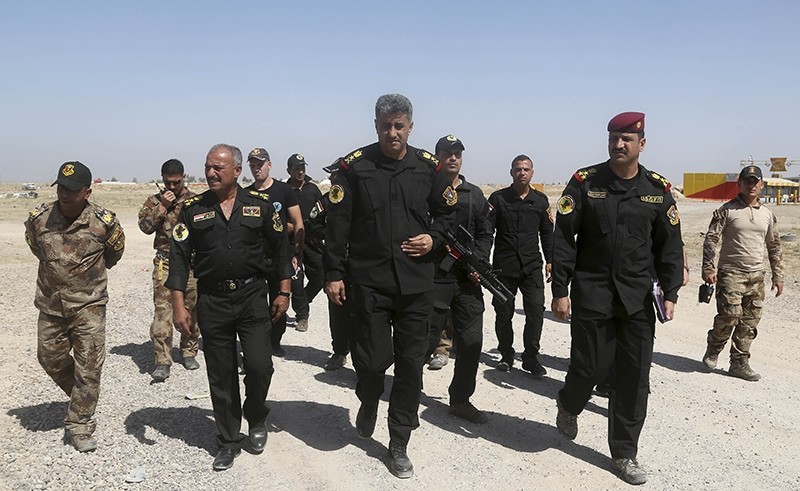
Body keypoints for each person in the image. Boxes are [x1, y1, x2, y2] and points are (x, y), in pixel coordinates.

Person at [323, 94, 457, 479]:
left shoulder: (428, 168)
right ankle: (368, 397)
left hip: (416, 284)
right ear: (376, 126)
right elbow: (338, 225)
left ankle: (399, 441)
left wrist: (434, 238)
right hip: (370, 283)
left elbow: (448, 215)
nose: (392, 132)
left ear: (410, 127)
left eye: (399, 125)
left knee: (411, 365)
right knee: (370, 359)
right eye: (386, 126)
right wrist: (334, 273)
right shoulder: (354, 167)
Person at [551, 112, 684, 485]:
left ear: (642, 143)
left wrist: (669, 292)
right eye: (613, 137)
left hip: (638, 298)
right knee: (590, 366)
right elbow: (563, 239)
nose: (618, 144)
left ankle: (624, 453)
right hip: (593, 293)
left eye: (627, 138)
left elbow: (670, 246)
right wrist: (560, 290)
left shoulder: (657, 189)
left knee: (634, 377)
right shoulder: (585, 182)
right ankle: (569, 402)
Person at [166, 144, 291, 471]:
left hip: (252, 297)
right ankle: (227, 439)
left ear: (237, 171)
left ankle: (256, 416)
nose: (210, 173)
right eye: (208, 167)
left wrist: (284, 291)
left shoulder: (260, 206)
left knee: (260, 365)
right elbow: (178, 260)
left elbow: (281, 250)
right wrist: (179, 307)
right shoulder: (192, 209)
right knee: (221, 374)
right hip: (213, 300)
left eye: (218, 168)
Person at [24, 161, 125, 452]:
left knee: (89, 366)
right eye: (61, 188)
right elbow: (35, 247)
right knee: (49, 358)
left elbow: (114, 253)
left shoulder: (103, 222)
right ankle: (83, 394)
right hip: (51, 304)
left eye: (71, 189)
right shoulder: (39, 218)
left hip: (89, 305)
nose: (64, 194)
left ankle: (80, 423)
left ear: (87, 191)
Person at [426, 134, 494, 423]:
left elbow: (484, 232)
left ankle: (461, 400)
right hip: (433, 276)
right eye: (447, 153)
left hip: (466, 279)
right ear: (437, 156)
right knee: (423, 339)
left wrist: (478, 260)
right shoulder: (425, 189)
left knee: (471, 341)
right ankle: (407, 389)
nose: (453, 157)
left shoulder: (474, 194)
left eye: (457, 153)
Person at [700, 165, 784, 381]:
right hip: (730, 273)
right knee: (729, 316)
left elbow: (774, 245)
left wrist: (778, 275)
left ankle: (739, 363)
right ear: (740, 184)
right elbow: (711, 239)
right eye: (747, 181)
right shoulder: (726, 210)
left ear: (762, 185)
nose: (752, 185)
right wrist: (708, 267)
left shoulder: (767, 214)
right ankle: (714, 349)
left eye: (755, 181)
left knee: (749, 322)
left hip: (756, 275)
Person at [487, 155, 553, 376]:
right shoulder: (498, 199)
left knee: (535, 311)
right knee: (503, 313)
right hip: (504, 267)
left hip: (532, 266)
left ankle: (531, 357)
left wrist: (551, 260)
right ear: (511, 172)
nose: (522, 173)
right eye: (517, 169)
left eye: (526, 169)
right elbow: (487, 233)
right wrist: (483, 263)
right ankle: (506, 355)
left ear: (532, 173)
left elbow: (546, 234)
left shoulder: (541, 201)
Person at [138, 159, 201, 381]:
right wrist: (163, 207)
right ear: (162, 180)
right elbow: (145, 227)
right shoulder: (154, 201)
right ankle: (163, 360)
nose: (172, 187)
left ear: (184, 176)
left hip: (191, 263)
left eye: (176, 182)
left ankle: (189, 351)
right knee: (163, 310)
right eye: (168, 183)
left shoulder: (195, 201)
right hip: (165, 262)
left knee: (191, 308)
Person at [246, 147, 305, 357]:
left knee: (279, 299)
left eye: (260, 164)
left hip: (280, 256)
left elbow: (298, 223)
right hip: (256, 259)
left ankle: (274, 341)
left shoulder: (283, 190)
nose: (256, 168)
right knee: (254, 305)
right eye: (253, 165)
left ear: (269, 165)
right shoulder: (246, 194)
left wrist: (297, 253)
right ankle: (258, 343)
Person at [286, 153, 324, 333]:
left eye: (302, 168)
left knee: (320, 276)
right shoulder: (284, 190)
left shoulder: (312, 189)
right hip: (292, 243)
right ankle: (302, 316)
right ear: (289, 171)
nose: (300, 171)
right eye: (296, 168)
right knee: (296, 279)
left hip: (312, 242)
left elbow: (322, 212)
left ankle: (303, 300)